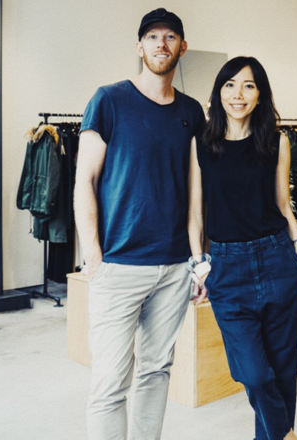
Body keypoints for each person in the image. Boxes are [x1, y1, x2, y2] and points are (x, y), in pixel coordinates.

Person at [74, 8, 205, 440]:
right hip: (118, 265)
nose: (161, 44)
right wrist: (94, 258)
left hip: (172, 268)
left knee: (156, 370)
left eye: (170, 37)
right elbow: (84, 182)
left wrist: (197, 259)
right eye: (152, 37)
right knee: (110, 382)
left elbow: (194, 193)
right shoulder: (109, 100)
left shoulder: (191, 112)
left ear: (182, 47)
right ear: (139, 47)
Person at [187, 56, 297, 440]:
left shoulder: (276, 141)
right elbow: (195, 213)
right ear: (218, 92)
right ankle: (287, 436)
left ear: (260, 95)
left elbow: (282, 203)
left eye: (249, 85)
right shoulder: (202, 144)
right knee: (253, 374)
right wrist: (198, 265)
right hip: (227, 269)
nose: (238, 94)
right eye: (230, 84)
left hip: (277, 259)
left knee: (283, 370)